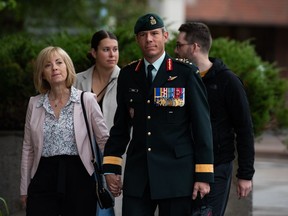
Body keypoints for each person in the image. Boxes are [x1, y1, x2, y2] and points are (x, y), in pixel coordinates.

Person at [102, 13, 214, 216]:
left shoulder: (185, 73)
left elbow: (202, 126)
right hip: (139, 176)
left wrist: (204, 175)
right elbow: (120, 126)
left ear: (165, 36)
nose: (149, 39)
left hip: (177, 176)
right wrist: (111, 167)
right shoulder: (128, 75)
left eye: (154, 33)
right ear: (137, 39)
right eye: (143, 35)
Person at [175, 22, 255, 216]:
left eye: (179, 45)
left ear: (194, 47)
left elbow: (244, 129)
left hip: (216, 168)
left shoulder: (228, 81)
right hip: (182, 166)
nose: (175, 51)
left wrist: (245, 175)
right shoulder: (178, 79)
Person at [20, 46, 109, 216]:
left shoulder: (86, 100)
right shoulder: (34, 103)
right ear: (42, 74)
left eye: (59, 62)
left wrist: (111, 172)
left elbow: (103, 140)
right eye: (48, 65)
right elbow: (28, 149)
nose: (54, 67)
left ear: (67, 67)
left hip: (79, 174)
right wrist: (24, 189)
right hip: (43, 176)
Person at [75, 30, 120, 216]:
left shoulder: (127, 79)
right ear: (93, 52)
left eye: (116, 49)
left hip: (115, 153)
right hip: (85, 154)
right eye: (106, 49)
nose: (112, 54)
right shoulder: (77, 80)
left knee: (112, 206)